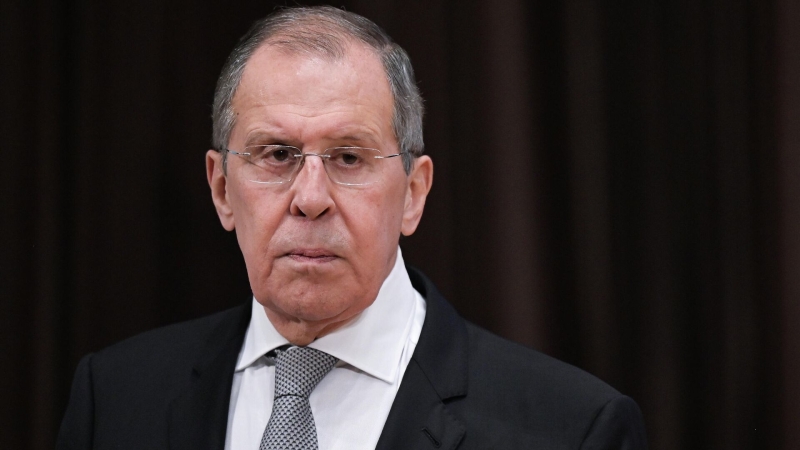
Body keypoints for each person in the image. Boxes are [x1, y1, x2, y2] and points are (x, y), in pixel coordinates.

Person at [57, 6, 647, 450]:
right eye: (277, 154)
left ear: (413, 193)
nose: (311, 199)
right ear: (221, 189)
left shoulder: (572, 429)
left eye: (348, 157)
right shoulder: (113, 399)